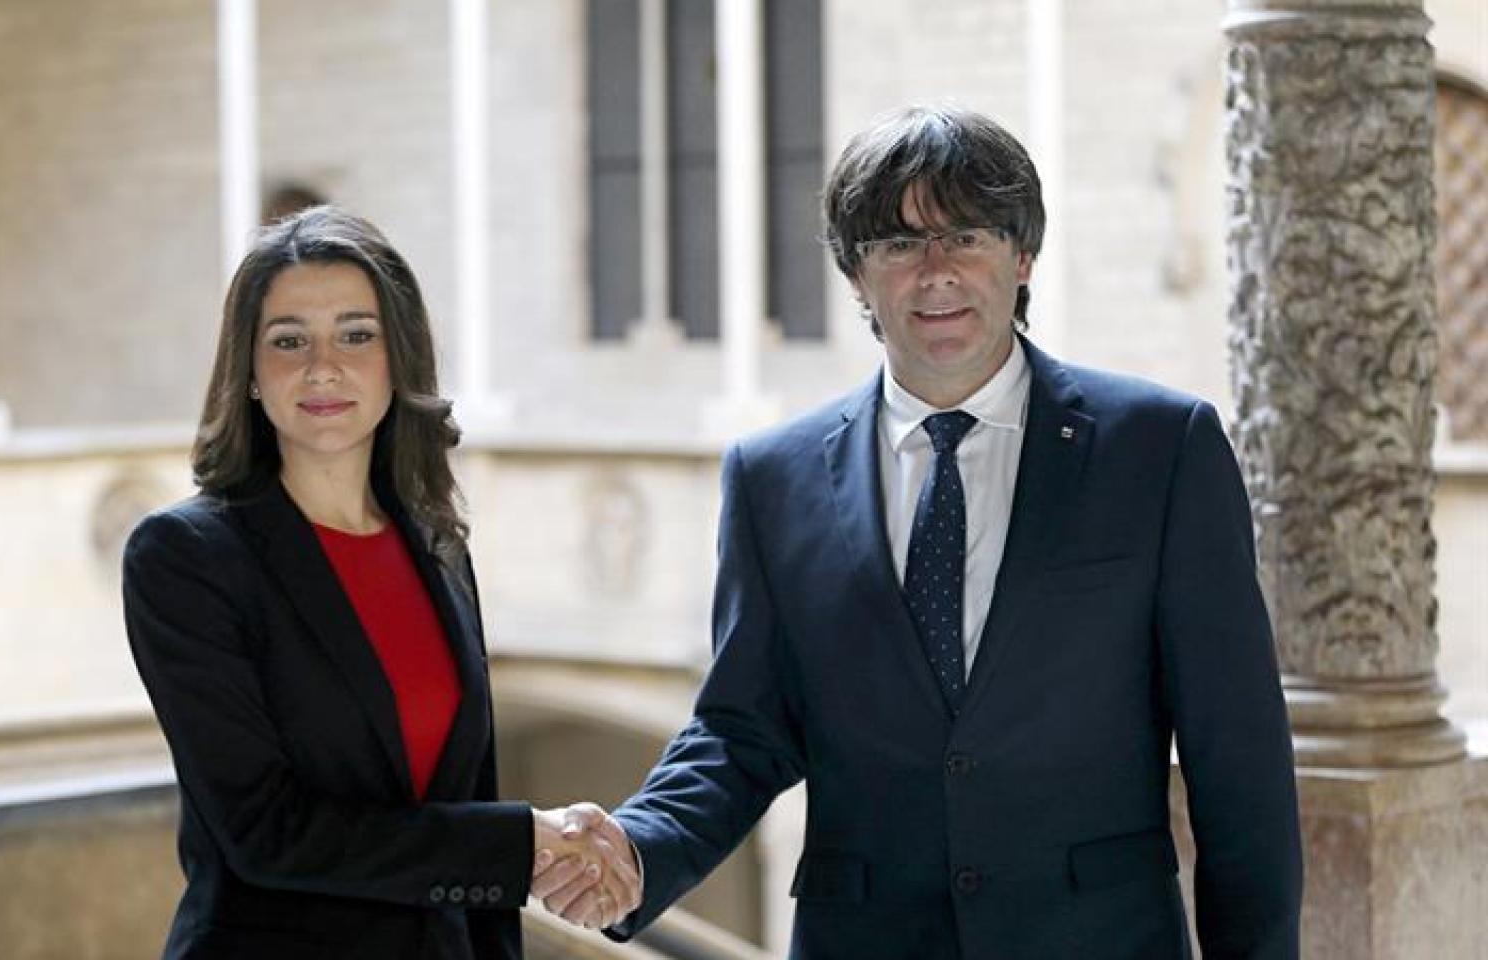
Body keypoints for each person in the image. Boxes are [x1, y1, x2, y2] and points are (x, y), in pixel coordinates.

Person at [539, 106, 1304, 958]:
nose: (936, 272)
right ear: (856, 275)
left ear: (1022, 256)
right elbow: (741, 730)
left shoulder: (1161, 449)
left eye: (967, 236)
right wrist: (639, 848)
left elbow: (1238, 757)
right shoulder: (772, 478)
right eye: (899, 244)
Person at [123, 206, 637, 959]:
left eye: (356, 335)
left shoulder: (437, 545)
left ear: (399, 358)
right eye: (289, 340)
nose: (322, 367)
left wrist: (518, 858)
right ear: (250, 373)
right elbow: (267, 833)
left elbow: (465, 799)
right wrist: (523, 841)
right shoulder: (185, 557)